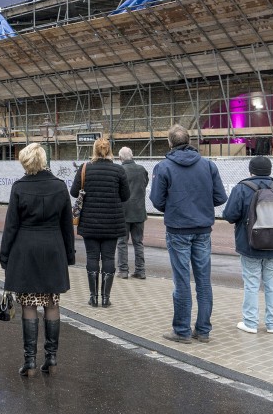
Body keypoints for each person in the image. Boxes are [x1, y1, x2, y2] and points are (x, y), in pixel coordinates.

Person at [0, 142, 73, 379]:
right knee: (52, 303)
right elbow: (66, 226)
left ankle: (29, 362)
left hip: (25, 251)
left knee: (29, 304)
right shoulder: (60, 187)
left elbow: (11, 226)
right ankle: (52, 358)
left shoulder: (19, 187)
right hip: (53, 250)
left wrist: (4, 256)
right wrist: (69, 255)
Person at [150, 125, 227, 344]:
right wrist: (201, 205)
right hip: (202, 229)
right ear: (190, 140)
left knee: (181, 281)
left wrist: (175, 207)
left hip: (178, 229)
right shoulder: (208, 165)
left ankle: (182, 330)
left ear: (170, 142)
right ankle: (203, 330)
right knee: (204, 281)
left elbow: (157, 200)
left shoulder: (163, 166)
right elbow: (220, 197)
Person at [223, 155, 273, 335]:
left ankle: (250, 323)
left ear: (250, 171)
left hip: (249, 244)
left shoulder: (241, 188)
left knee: (251, 284)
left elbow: (229, 215)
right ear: (270, 171)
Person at [70, 137, 129, 308]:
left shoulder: (85, 168)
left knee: (92, 257)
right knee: (109, 257)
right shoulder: (118, 171)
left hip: (89, 221)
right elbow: (126, 196)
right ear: (109, 151)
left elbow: (74, 192)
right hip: (112, 221)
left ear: (94, 151)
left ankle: (93, 297)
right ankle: (106, 298)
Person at [116, 147, 149, 280]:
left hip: (123, 212)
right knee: (138, 242)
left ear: (120, 158)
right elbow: (145, 184)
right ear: (132, 155)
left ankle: (123, 271)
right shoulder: (142, 169)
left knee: (122, 242)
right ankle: (140, 270)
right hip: (139, 211)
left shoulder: (120, 170)